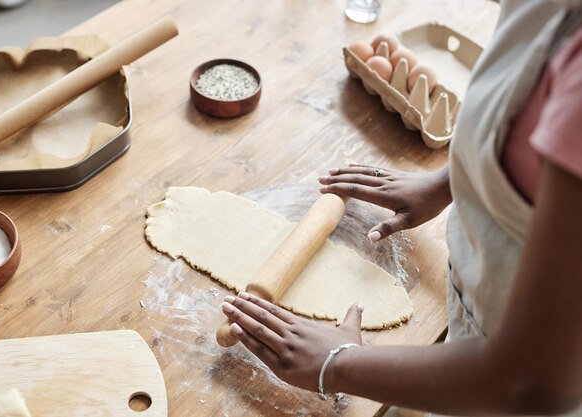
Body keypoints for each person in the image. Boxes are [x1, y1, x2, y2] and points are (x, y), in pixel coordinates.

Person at [220, 0, 582, 415]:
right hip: (474, 341)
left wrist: (336, 363)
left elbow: (534, 383)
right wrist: (454, 179)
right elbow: (529, 115)